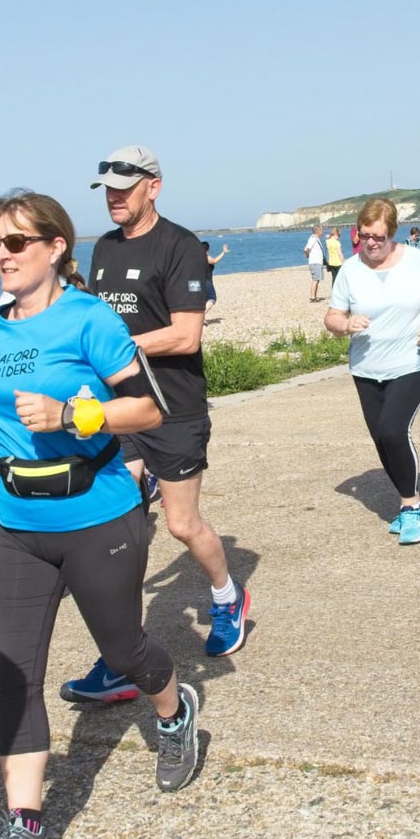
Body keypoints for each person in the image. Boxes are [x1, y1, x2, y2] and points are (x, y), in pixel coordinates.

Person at [0, 191, 202, 839]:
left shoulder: (89, 319)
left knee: (123, 649)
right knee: (14, 672)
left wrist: (71, 412)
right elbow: (5, 405)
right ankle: (24, 830)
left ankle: (175, 710)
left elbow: (149, 405)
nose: (2, 254)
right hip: (15, 526)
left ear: (56, 247)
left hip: (98, 518)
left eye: (17, 242)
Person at [61, 146, 250, 705]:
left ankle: (226, 598)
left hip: (174, 408)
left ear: (154, 187)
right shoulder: (104, 250)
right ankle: (122, 656)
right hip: (120, 411)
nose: (115, 196)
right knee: (115, 529)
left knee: (181, 525)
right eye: (108, 189)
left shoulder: (181, 246)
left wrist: (113, 347)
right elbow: (96, 316)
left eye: (125, 185)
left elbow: (186, 335)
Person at [323, 197, 420, 544]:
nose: (370, 243)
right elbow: (331, 318)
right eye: (364, 235)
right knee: (381, 437)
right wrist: (346, 323)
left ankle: (412, 506)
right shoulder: (351, 270)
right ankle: (407, 501)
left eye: (378, 237)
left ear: (392, 233)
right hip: (367, 366)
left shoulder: (417, 261)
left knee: (394, 429)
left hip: (413, 361)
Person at [200, 241, 228, 321]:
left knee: (200, 300)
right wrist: (223, 252)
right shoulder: (204, 257)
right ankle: (201, 316)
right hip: (206, 281)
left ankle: (201, 319)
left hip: (195, 282)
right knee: (212, 298)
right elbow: (214, 261)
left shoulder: (194, 258)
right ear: (207, 250)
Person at [302, 225, 326, 302]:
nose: (322, 231)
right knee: (315, 279)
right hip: (315, 262)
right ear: (317, 231)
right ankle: (312, 297)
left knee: (317, 279)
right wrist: (307, 255)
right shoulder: (313, 239)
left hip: (317, 262)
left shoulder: (315, 239)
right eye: (321, 230)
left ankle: (314, 296)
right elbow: (306, 249)